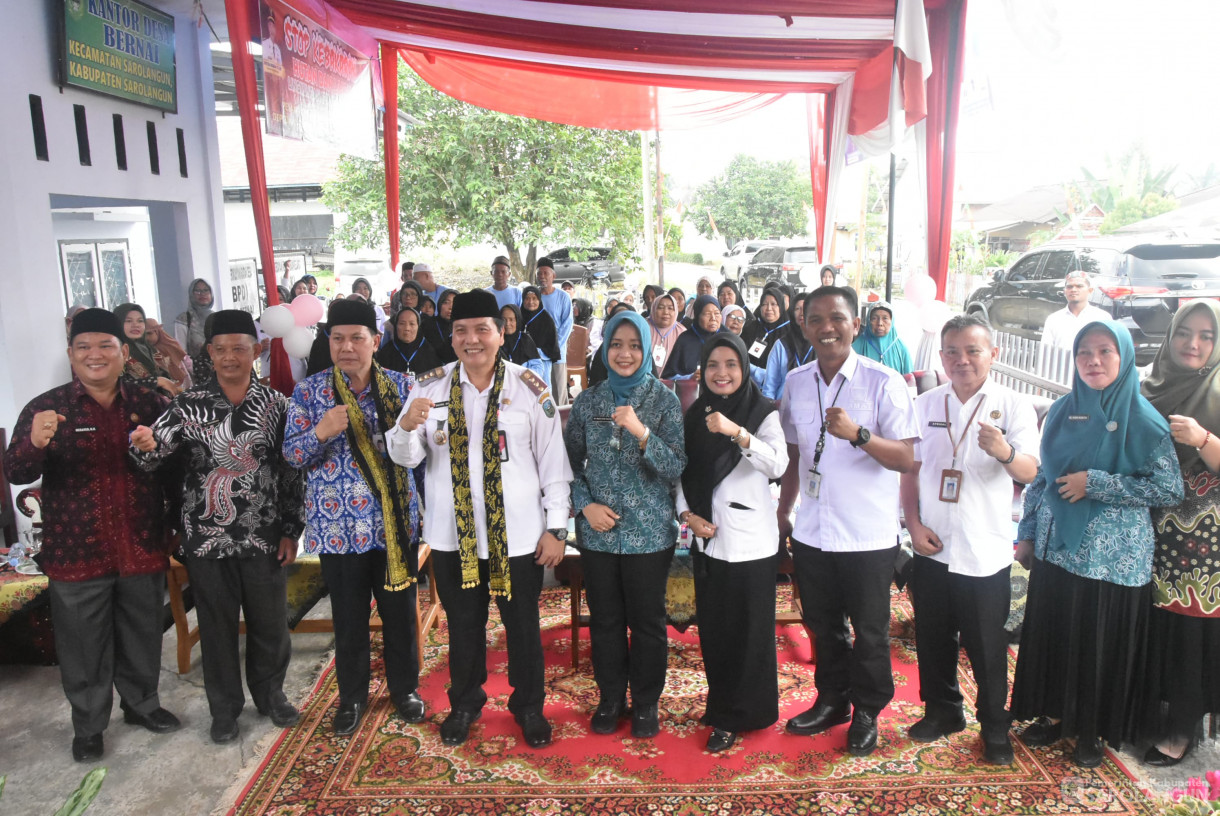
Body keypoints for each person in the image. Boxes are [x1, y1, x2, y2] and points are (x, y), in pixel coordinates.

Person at [386, 289, 572, 749]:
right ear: (451, 338)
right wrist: (407, 425)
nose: (473, 340)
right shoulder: (429, 386)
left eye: (482, 330)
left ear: (500, 331)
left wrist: (558, 528)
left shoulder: (529, 387)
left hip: (519, 534)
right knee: (463, 626)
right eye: (462, 332)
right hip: (454, 536)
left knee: (524, 626)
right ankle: (465, 703)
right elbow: (405, 457)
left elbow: (554, 464)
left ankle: (529, 706)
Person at [3, 308, 179, 763]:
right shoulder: (46, 408)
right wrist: (34, 444)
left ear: (124, 353)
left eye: (105, 346)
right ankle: (89, 725)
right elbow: (17, 472)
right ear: (71, 354)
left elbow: (177, 468)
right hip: (76, 551)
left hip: (140, 543)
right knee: (83, 646)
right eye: (84, 347)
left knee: (142, 632)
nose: (94, 355)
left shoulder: (150, 403)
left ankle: (142, 705)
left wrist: (157, 451)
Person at [1012, 320, 1182, 768]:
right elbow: (1042, 479)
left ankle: (1092, 730)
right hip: (1056, 548)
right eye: (1084, 352)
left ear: (1124, 357)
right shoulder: (1062, 411)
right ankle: (1053, 714)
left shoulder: (1145, 422)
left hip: (1112, 559)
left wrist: (1098, 483)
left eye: (1105, 351)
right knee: (1056, 633)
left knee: (1095, 643)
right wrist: (1027, 534)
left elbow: (1169, 490)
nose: (1093, 361)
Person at [130, 310, 306, 744]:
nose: (230, 357)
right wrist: (144, 447)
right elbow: (151, 458)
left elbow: (290, 471)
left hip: (264, 536)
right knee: (217, 625)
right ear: (209, 352)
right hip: (206, 539)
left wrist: (291, 529)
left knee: (270, 623)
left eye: (239, 349)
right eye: (221, 349)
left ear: (257, 351)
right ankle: (224, 710)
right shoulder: (187, 406)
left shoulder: (277, 404)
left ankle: (271, 695)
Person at [781, 286, 918, 757]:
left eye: (836, 318)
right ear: (804, 326)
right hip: (814, 530)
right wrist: (784, 511)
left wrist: (859, 435)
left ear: (855, 324)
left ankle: (867, 711)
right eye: (815, 319)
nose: (826, 327)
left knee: (870, 629)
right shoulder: (797, 382)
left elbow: (905, 458)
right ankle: (833, 700)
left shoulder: (884, 382)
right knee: (823, 624)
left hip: (867, 532)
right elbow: (794, 452)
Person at [898, 314, 1040, 766]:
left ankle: (995, 726)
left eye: (973, 351)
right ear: (940, 357)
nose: (962, 360)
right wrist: (913, 525)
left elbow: (1031, 472)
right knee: (933, 637)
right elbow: (910, 469)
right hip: (934, 542)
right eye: (953, 352)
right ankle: (943, 711)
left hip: (984, 549)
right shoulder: (925, 404)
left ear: (992, 355)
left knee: (985, 643)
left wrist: (1005, 452)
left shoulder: (1012, 405)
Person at [283, 299, 425, 736]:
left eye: (357, 338)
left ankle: (405, 690)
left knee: (400, 614)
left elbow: (420, 454)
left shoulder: (403, 387)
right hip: (337, 530)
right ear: (329, 342)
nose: (347, 347)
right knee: (348, 619)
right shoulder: (309, 392)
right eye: (338, 338)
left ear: (375, 341)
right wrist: (320, 432)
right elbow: (292, 455)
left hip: (392, 526)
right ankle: (352, 698)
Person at [564, 310, 687, 738]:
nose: (625, 353)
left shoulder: (664, 400)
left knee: (648, 621)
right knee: (606, 620)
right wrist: (584, 505)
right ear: (606, 348)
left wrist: (642, 432)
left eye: (635, 345)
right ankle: (611, 697)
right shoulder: (589, 400)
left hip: (649, 533)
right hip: (598, 533)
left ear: (647, 350)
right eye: (617, 344)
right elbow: (568, 463)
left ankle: (647, 702)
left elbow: (676, 467)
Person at [676, 333, 788, 752]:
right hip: (707, 541)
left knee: (750, 632)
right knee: (717, 632)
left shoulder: (763, 413)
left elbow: (777, 464)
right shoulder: (695, 413)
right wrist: (687, 515)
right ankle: (722, 706)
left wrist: (737, 432)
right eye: (713, 366)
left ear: (744, 369)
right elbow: (682, 472)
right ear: (702, 371)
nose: (721, 373)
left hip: (750, 543)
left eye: (731, 365)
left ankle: (745, 713)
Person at [1137, 301, 1220, 766]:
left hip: (1201, 539)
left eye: (1206, 336)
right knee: (1151, 624)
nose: (1193, 344)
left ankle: (1180, 730)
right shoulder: (1151, 385)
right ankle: (1145, 711)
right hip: (1148, 524)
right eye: (1185, 332)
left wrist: (1204, 439)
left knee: (1189, 630)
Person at [1038, 270, 1111, 370]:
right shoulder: (1054, 319)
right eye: (1069, 286)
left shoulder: (1102, 318)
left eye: (1079, 286)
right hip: (1060, 377)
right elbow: (1045, 353)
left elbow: (1108, 352)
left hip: (1091, 377)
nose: (1073, 289)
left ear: (1090, 290)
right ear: (1064, 291)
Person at [114, 303, 185, 397]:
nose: (136, 325)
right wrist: (156, 381)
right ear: (118, 322)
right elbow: (118, 386)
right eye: (128, 321)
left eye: (140, 321)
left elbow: (162, 375)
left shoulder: (148, 348)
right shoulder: (115, 352)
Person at [760, 295, 815, 402]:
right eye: (797, 309)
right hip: (784, 409)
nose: (802, 313)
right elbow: (770, 386)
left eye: (805, 308)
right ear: (791, 312)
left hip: (815, 410)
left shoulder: (820, 344)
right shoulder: (781, 345)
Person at [536, 258, 574, 406]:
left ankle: (562, 427)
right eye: (539, 273)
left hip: (557, 353)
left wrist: (553, 347)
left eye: (546, 273)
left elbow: (567, 325)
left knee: (559, 392)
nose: (542, 276)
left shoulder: (563, 297)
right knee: (539, 391)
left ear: (554, 276)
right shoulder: (532, 297)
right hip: (537, 355)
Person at [661, 295, 721, 380]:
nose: (713, 318)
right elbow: (669, 377)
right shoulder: (685, 340)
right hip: (691, 392)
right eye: (707, 314)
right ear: (697, 316)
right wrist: (690, 377)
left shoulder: (726, 338)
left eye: (717, 313)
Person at [747, 289, 792, 388]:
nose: (769, 308)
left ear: (781, 306)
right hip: (752, 385)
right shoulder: (751, 328)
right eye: (764, 304)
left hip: (781, 386)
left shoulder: (790, 331)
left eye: (773, 304)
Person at [852, 301, 913, 375]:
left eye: (885, 318)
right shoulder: (856, 347)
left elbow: (910, 380)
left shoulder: (901, 349)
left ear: (892, 321)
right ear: (868, 320)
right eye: (874, 318)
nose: (880, 323)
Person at [520, 285, 562, 393]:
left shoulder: (546, 319)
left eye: (534, 298)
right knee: (524, 391)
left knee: (541, 391)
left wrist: (536, 352)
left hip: (542, 361)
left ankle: (543, 410)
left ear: (539, 300)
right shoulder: (518, 317)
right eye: (527, 298)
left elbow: (552, 344)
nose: (530, 302)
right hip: (522, 361)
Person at [376, 307, 441, 376]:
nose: (407, 328)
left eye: (412, 324)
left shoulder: (429, 352)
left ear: (418, 326)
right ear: (396, 326)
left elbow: (436, 381)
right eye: (402, 323)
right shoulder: (386, 352)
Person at [499, 304, 550, 382]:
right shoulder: (496, 341)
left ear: (518, 320)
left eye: (511, 319)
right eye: (504, 320)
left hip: (524, 385)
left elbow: (538, 367)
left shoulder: (525, 339)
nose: (507, 323)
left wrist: (520, 377)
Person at [144, 318, 192, 391]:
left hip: (179, 383)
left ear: (158, 332)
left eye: (149, 333)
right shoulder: (145, 349)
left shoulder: (171, 345)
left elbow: (178, 365)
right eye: (143, 335)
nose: (146, 338)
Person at [646, 293, 686, 373]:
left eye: (670, 308)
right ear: (653, 308)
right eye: (660, 308)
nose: (666, 312)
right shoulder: (643, 327)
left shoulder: (682, 332)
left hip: (672, 381)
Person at [175, 278, 215, 357]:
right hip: (195, 368)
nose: (202, 294)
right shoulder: (184, 319)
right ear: (191, 294)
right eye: (197, 291)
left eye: (206, 290)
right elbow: (181, 352)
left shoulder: (217, 318)